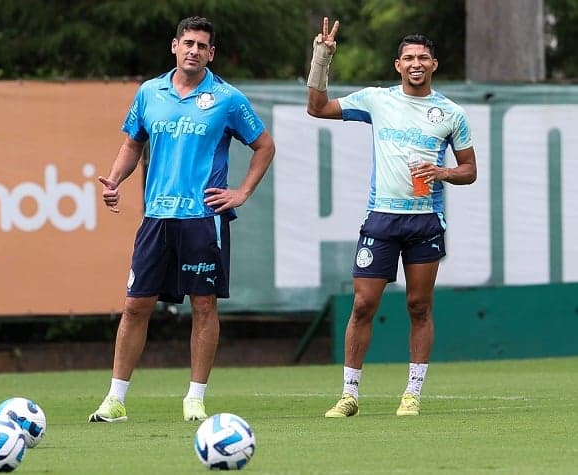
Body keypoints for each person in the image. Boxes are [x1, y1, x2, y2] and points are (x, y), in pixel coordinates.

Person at [88, 16, 275, 423]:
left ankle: (195, 397)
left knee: (204, 305)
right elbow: (132, 143)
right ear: (175, 46)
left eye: (202, 45)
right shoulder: (149, 92)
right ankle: (115, 399)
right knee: (135, 306)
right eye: (187, 42)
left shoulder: (227, 98)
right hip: (156, 217)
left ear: (211, 53)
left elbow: (264, 145)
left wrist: (241, 192)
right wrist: (115, 180)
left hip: (203, 218)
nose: (194, 50)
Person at [306, 18, 477, 417]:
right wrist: (321, 58)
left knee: (419, 306)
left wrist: (443, 173)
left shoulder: (451, 113)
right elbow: (316, 108)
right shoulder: (376, 100)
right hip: (381, 219)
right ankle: (350, 395)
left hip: (424, 220)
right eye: (408, 58)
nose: (416, 63)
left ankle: (412, 393)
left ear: (434, 64)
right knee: (364, 305)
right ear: (397, 64)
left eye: (423, 57)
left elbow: (469, 170)